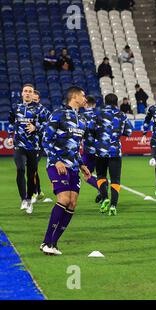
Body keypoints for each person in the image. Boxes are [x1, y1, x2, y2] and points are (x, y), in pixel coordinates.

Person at [40, 86, 91, 255]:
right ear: (74, 97)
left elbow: (75, 148)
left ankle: (53, 244)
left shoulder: (82, 120)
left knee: (73, 202)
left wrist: (82, 165)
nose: (86, 99)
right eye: (83, 96)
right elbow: (46, 140)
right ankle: (46, 241)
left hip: (74, 167)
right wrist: (56, 161)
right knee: (64, 198)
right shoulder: (58, 114)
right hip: (57, 165)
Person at [7, 84, 49, 214]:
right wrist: (9, 136)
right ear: (22, 93)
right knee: (20, 169)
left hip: (34, 147)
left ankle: (29, 200)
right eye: (25, 91)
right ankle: (23, 199)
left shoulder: (40, 109)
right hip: (19, 145)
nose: (27, 93)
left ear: (33, 94)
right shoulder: (16, 108)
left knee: (31, 175)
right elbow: (12, 123)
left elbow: (48, 124)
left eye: (30, 91)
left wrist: (36, 128)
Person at [94, 94, 133, 216]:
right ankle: (113, 206)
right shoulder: (122, 115)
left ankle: (105, 197)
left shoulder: (97, 113)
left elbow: (90, 129)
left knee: (100, 175)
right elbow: (129, 132)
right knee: (115, 179)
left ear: (105, 102)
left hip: (100, 151)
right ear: (116, 102)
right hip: (115, 151)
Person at [79, 96, 101, 202]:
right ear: (95, 104)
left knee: (87, 175)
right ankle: (103, 191)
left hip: (89, 151)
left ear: (85, 104)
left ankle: (100, 188)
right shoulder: (101, 115)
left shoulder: (81, 116)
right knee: (102, 174)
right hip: (102, 151)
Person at [31, 90, 51, 204]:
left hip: (39, 143)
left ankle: (34, 193)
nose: (33, 102)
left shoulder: (44, 111)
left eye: (35, 100)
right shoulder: (25, 110)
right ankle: (38, 192)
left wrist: (36, 127)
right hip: (28, 142)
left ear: (38, 100)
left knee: (32, 167)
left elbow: (49, 125)